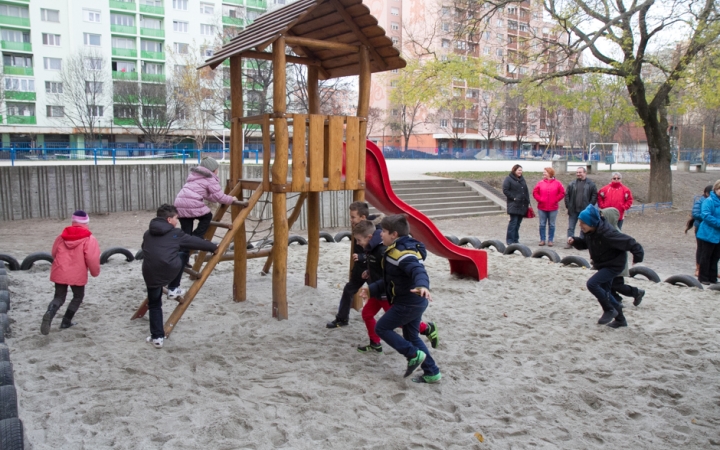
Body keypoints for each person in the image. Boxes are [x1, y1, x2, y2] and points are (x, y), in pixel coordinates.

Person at [360, 215, 441, 384]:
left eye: (384, 231)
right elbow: (391, 279)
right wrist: (371, 288)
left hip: (409, 302)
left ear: (394, 234)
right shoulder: (393, 249)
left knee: (382, 328)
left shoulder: (402, 253)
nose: (380, 234)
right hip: (414, 301)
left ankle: (412, 354)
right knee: (411, 336)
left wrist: (422, 285)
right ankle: (432, 372)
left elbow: (418, 270)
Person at [141, 204, 218, 349]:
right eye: (176, 218)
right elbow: (196, 242)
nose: (177, 221)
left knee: (154, 304)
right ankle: (173, 288)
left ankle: (157, 337)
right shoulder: (175, 233)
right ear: (169, 219)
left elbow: (144, 247)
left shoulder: (147, 233)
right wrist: (213, 247)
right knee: (182, 254)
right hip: (168, 270)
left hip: (149, 272)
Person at [172, 156, 243, 300]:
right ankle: (196, 239)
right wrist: (231, 199)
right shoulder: (211, 178)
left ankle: (183, 258)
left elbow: (208, 195)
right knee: (206, 217)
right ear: (213, 170)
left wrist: (221, 198)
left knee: (185, 233)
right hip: (191, 204)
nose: (218, 171)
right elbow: (219, 197)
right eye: (217, 169)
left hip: (179, 203)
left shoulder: (194, 176)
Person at [568, 204, 644, 328]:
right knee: (606, 292)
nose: (580, 226)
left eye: (583, 223)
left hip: (614, 265)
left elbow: (630, 242)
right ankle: (620, 320)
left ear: (592, 223)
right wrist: (575, 241)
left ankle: (609, 309)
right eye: (580, 223)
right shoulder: (591, 232)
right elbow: (586, 244)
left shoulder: (608, 233)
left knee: (592, 284)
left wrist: (638, 256)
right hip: (603, 264)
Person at [41, 210, 101, 335]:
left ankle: (50, 313)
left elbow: (54, 253)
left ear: (73, 221)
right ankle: (66, 321)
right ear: (86, 222)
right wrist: (95, 272)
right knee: (78, 296)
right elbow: (92, 258)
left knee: (59, 297)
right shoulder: (89, 238)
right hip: (77, 272)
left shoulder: (61, 236)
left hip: (60, 270)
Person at [326, 201, 374, 328]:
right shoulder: (359, 228)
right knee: (348, 290)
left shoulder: (372, 231)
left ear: (363, 217)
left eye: (353, 217)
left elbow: (379, 251)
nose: (351, 220)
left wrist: (363, 257)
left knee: (383, 297)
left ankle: (402, 322)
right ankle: (342, 319)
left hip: (372, 269)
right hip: (360, 268)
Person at [601, 207, 645, 309]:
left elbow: (631, 246)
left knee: (617, 285)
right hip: (609, 264)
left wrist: (637, 257)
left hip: (617, 265)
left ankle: (637, 292)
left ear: (610, 219)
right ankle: (616, 299)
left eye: (604, 217)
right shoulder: (605, 232)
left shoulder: (615, 233)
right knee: (606, 283)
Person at [564, 167, 598, 248]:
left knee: (584, 227)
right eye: (577, 172)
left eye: (580, 172)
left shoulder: (591, 184)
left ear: (585, 173)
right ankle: (570, 242)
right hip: (573, 210)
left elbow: (594, 196)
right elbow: (567, 195)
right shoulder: (572, 184)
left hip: (585, 211)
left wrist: (590, 207)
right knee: (571, 227)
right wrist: (568, 206)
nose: (578, 174)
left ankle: (582, 242)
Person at [532, 167, 565, 246]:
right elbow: (535, 192)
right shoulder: (540, 183)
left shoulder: (558, 183)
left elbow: (562, 192)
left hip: (553, 207)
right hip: (542, 207)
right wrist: (540, 199)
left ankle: (550, 240)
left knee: (552, 224)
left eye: (545, 172)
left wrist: (556, 199)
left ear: (550, 173)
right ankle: (542, 239)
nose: (544, 174)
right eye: (543, 172)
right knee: (542, 224)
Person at [696, 181, 720, 285]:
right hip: (707, 233)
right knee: (706, 256)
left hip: (718, 235)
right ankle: (703, 278)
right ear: (716, 189)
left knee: (716, 257)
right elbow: (705, 215)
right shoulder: (709, 201)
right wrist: (718, 223)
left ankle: (712, 277)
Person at [687, 185, 713, 277]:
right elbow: (695, 214)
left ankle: (710, 269)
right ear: (706, 193)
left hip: (712, 228)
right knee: (701, 249)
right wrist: (708, 217)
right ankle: (698, 268)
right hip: (700, 228)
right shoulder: (700, 202)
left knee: (712, 250)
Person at [502, 164, 530, 245]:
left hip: (522, 204)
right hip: (514, 205)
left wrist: (527, 201)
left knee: (518, 223)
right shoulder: (509, 179)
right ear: (514, 170)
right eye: (519, 170)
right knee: (513, 223)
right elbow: (505, 190)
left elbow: (525, 191)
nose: (520, 172)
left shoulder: (522, 179)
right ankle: (510, 240)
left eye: (521, 170)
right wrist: (513, 197)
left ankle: (515, 239)